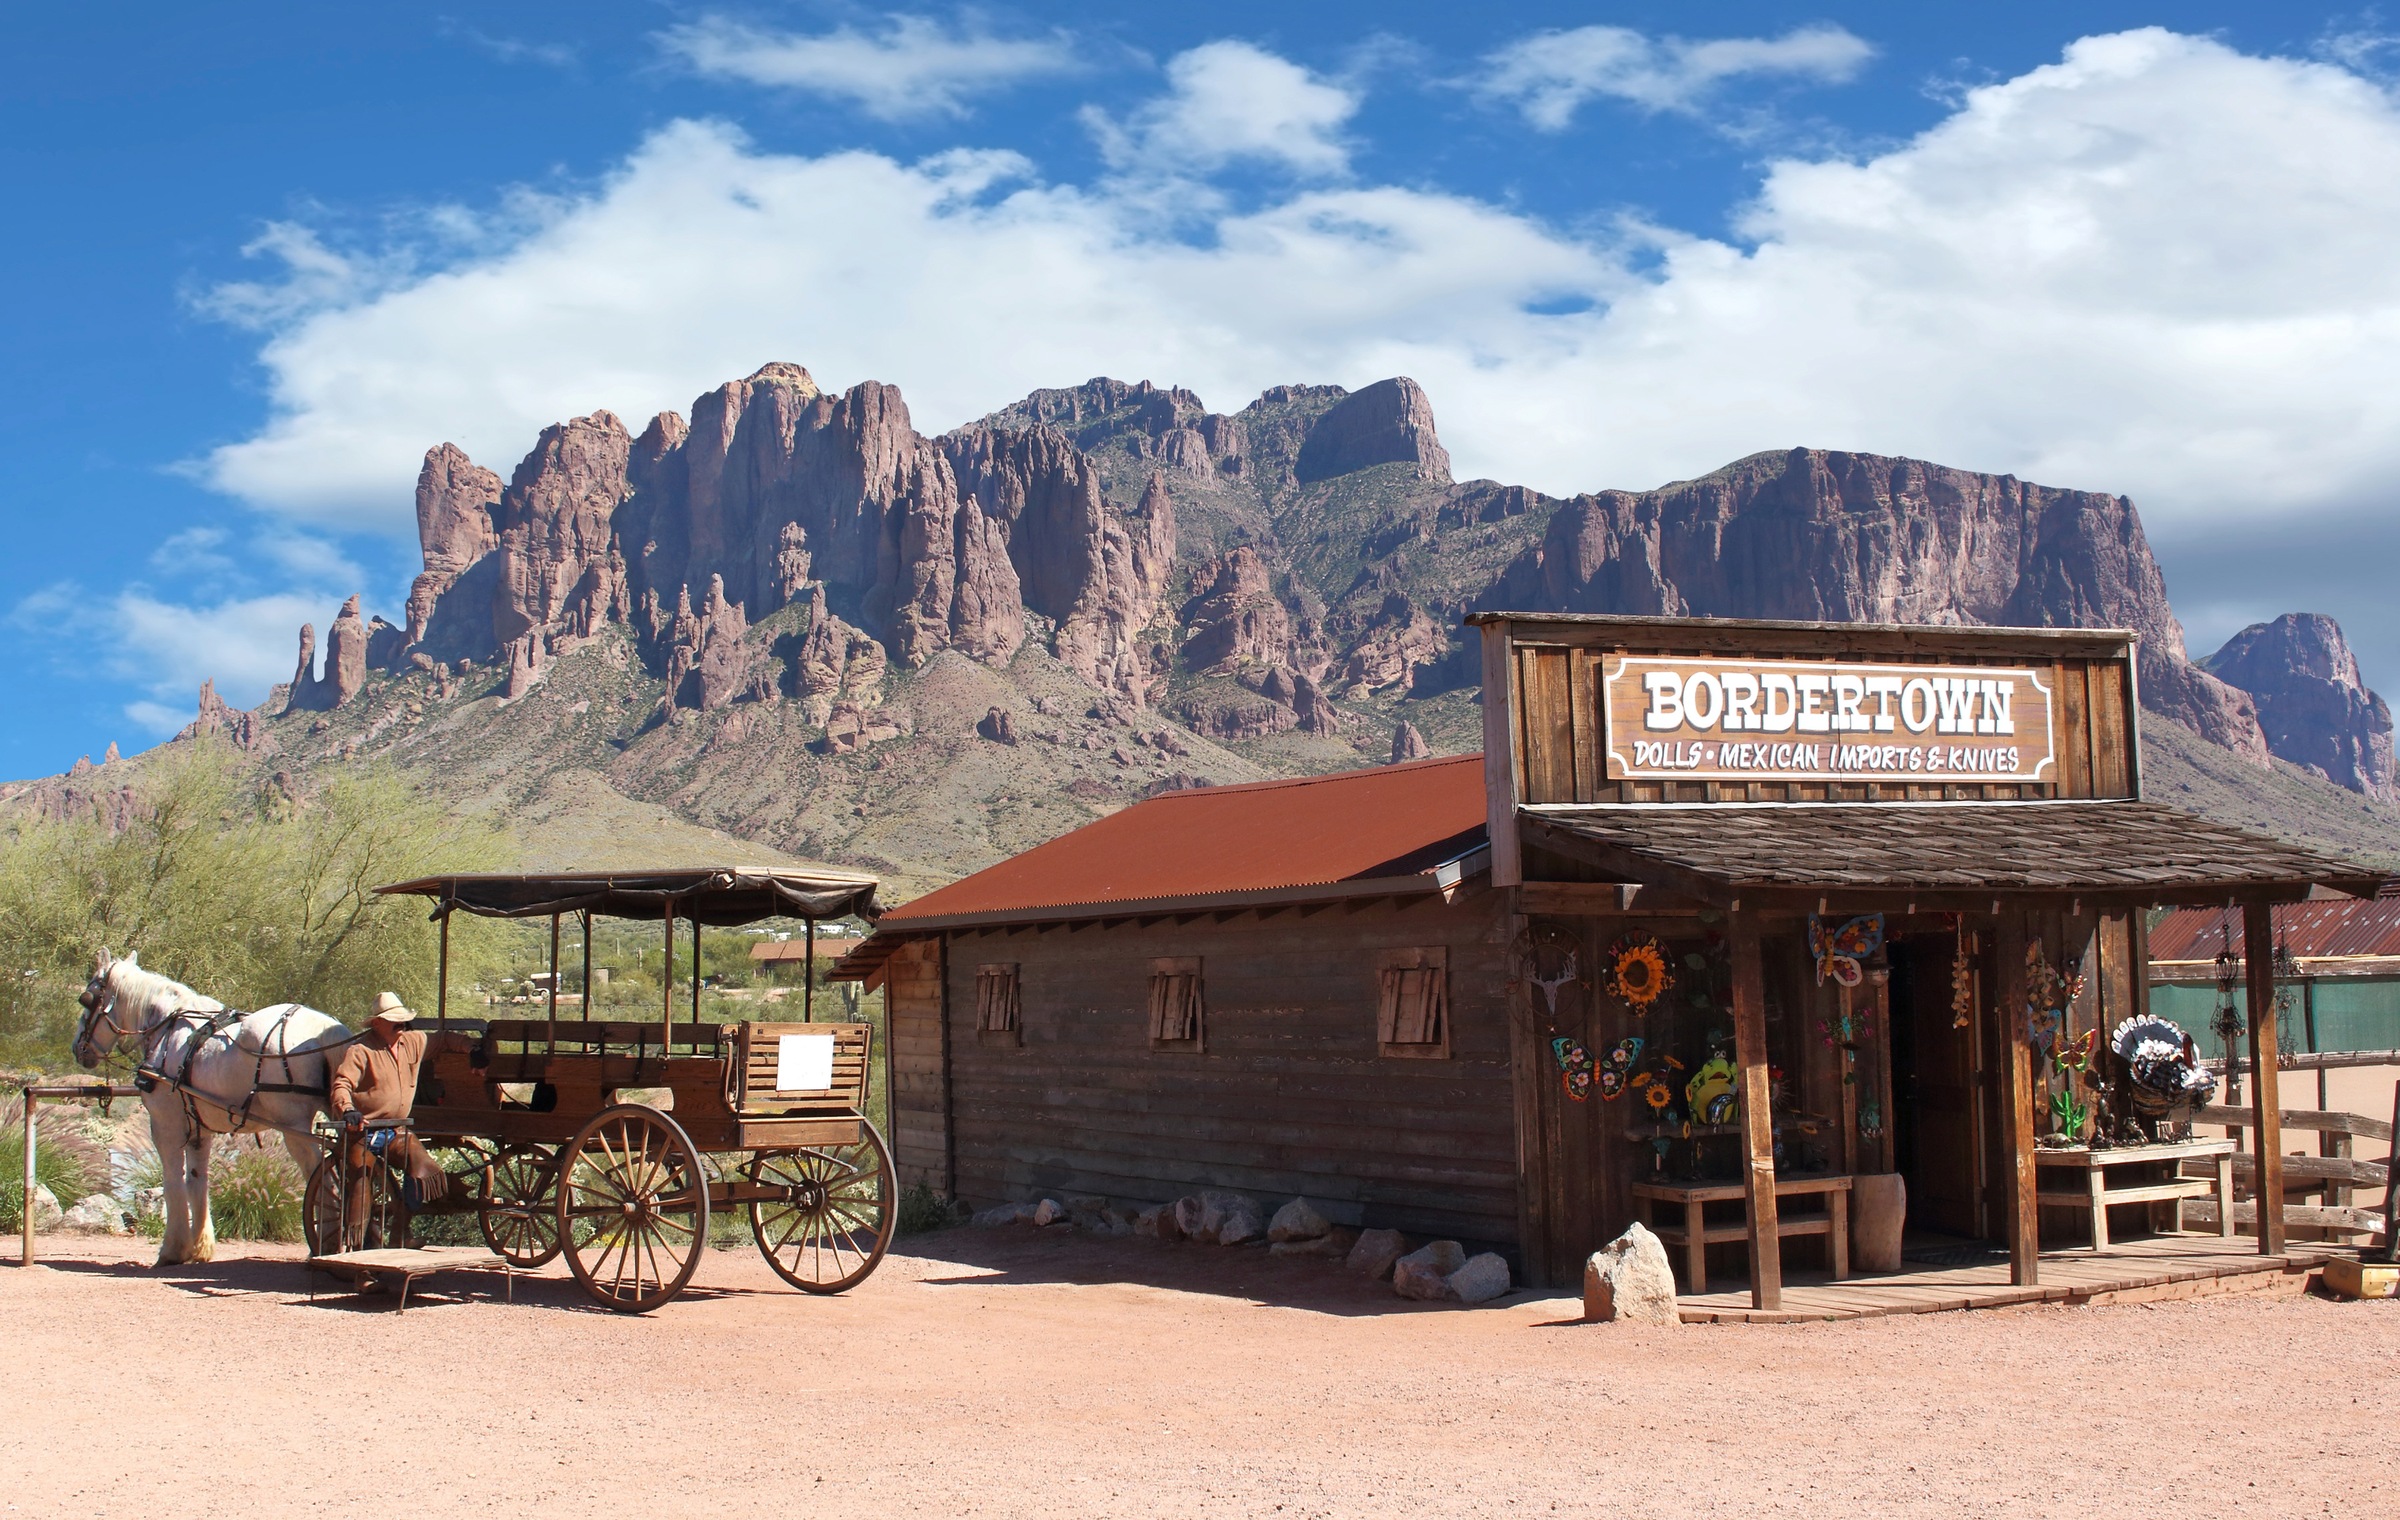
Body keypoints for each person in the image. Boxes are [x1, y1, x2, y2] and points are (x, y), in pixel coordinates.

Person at [326, 992, 482, 1250]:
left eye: (402, 1020)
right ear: (376, 1023)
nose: (400, 1024)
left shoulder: (413, 1042)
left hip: (396, 1131)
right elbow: (342, 1084)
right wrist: (348, 1110)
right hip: (362, 1133)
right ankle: (360, 1266)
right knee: (361, 1192)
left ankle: (400, 1233)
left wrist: (472, 1048)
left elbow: (443, 1039)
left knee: (426, 1172)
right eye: (393, 1020)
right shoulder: (361, 1051)